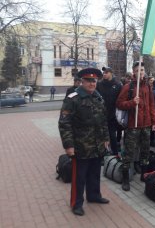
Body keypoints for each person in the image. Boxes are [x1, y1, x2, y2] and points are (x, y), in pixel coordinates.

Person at [58, 68, 110, 216]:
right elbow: (64, 123)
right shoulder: (72, 98)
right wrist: (68, 145)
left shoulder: (98, 97)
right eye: (88, 80)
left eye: (94, 81)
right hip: (80, 146)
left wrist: (106, 138)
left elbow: (103, 121)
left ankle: (94, 196)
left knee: (94, 173)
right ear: (82, 81)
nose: (92, 83)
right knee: (79, 177)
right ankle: (76, 203)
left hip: (97, 144)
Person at [116, 61, 155, 191]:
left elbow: (151, 105)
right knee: (129, 152)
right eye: (138, 70)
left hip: (146, 125)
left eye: (142, 70)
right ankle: (125, 178)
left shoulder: (148, 87)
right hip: (133, 125)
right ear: (134, 72)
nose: (141, 72)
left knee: (145, 151)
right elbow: (119, 104)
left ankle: (144, 174)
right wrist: (132, 103)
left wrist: (153, 121)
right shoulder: (129, 87)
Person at [97, 67, 122, 155]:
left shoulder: (118, 84)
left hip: (113, 114)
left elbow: (121, 99)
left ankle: (115, 153)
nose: (104, 74)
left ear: (111, 73)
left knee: (112, 135)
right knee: (101, 135)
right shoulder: (99, 84)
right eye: (103, 73)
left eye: (106, 72)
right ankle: (103, 153)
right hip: (101, 114)